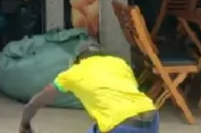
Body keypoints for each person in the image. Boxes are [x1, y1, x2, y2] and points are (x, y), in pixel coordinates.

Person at [19, 42, 159, 133]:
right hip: (151, 118)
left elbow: (37, 102)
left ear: (77, 59)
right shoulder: (120, 63)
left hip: (122, 125)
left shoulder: (73, 73)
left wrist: (25, 123)